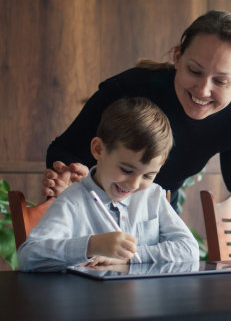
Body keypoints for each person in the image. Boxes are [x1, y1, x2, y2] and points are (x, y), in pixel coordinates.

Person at [42, 10, 231, 212]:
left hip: (154, 219)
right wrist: (72, 173)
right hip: (93, 210)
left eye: (221, 81)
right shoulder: (128, 89)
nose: (203, 91)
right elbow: (63, 150)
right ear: (177, 57)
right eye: (194, 71)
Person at [19, 97, 199, 272]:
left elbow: (189, 250)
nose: (134, 184)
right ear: (98, 149)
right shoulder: (72, 202)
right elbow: (28, 256)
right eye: (127, 170)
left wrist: (129, 257)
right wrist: (91, 245)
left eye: (148, 175)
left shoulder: (152, 195)